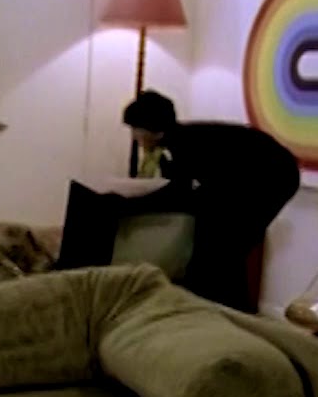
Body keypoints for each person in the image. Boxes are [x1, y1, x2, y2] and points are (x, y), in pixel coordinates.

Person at [61, 90, 300, 313]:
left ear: (151, 129)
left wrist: (126, 205)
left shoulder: (184, 144)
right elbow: (181, 191)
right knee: (216, 243)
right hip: (247, 177)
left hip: (272, 177)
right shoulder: (177, 142)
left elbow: (177, 194)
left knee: (223, 248)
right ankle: (220, 310)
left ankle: (231, 314)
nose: (134, 136)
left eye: (135, 129)